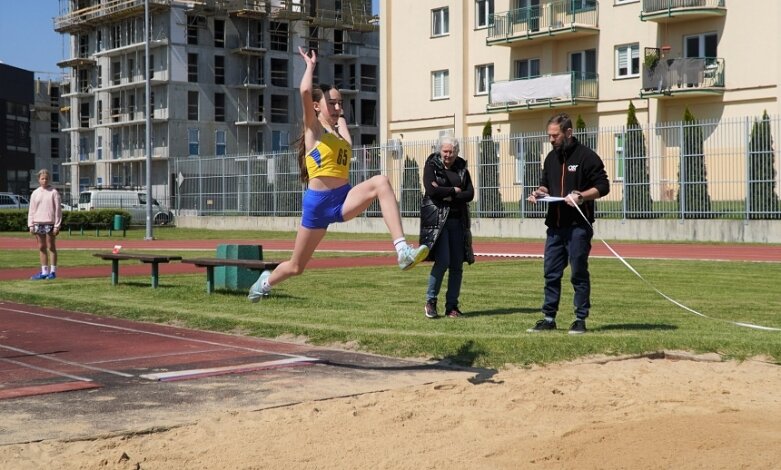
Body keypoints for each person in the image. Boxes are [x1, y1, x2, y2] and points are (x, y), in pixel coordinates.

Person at [248, 47, 429, 302]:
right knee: (297, 267)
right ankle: (264, 283)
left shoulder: (340, 133)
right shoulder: (314, 129)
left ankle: (402, 250)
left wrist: (339, 109)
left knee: (381, 182)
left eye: (339, 104)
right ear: (316, 107)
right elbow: (304, 92)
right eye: (330, 103)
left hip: (343, 198)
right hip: (318, 205)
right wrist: (310, 67)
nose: (335, 107)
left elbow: (341, 123)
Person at [526, 113, 610, 334]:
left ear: (568, 133)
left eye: (555, 135)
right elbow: (546, 185)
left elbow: (603, 186)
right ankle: (548, 318)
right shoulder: (550, 158)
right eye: (549, 136)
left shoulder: (587, 157)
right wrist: (539, 193)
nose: (551, 140)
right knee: (551, 272)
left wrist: (581, 196)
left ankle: (580, 318)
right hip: (555, 226)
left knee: (578, 272)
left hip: (578, 227)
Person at [419, 135, 475, 319]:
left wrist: (449, 195)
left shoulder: (461, 168)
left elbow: (469, 194)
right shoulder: (431, 165)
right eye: (445, 151)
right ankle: (430, 301)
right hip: (438, 223)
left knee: (457, 265)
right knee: (442, 261)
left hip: (458, 221)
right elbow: (432, 190)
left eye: (451, 151)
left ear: (456, 152)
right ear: (439, 150)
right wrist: (453, 190)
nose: (448, 155)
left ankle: (452, 306)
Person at [27, 169, 62, 280]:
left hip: (50, 223)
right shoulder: (35, 193)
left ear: (49, 179)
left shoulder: (54, 192)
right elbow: (31, 210)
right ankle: (44, 272)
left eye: (46, 178)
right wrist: (31, 225)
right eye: (42, 178)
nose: (45, 180)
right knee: (41, 247)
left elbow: (58, 210)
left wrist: (57, 225)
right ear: (39, 179)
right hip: (38, 223)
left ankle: (52, 272)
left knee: (51, 246)